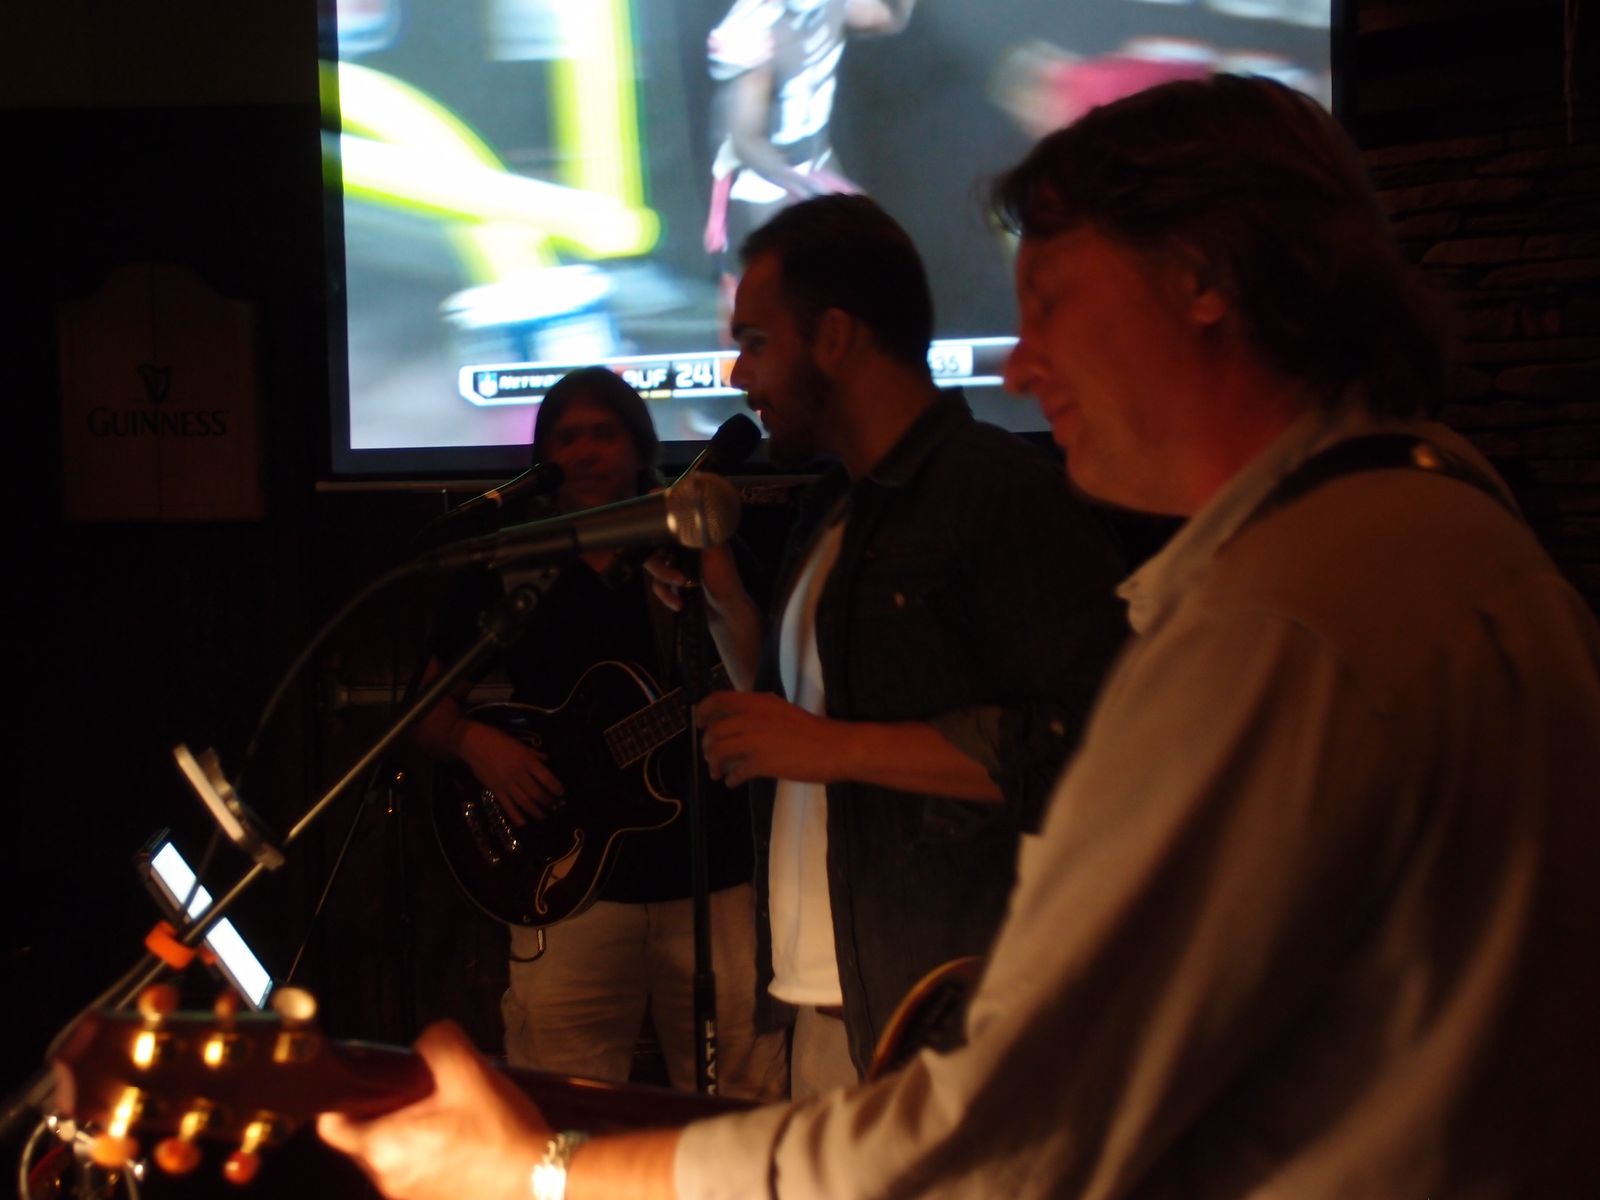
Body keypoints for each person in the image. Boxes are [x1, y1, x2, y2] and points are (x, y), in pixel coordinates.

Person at [321, 76, 1600, 1198]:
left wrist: (550, 1174)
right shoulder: (1448, 532)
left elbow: (1008, 1137)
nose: (1023, 364)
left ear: (1203, 279)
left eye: (1050, 303)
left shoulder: (1277, 623)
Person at [670, 193, 1127, 1101]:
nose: (737, 370)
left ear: (835, 338)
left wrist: (833, 749)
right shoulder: (831, 506)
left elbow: (1087, 748)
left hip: (946, 1016)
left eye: (756, 341)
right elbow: (799, 713)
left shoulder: (997, 493)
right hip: (824, 1004)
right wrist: (721, 595)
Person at [411, 365, 787, 1102]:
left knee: (738, 1104)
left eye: (604, 433)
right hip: (566, 890)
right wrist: (477, 745)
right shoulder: (515, 561)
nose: (585, 451)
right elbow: (423, 708)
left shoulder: (695, 541)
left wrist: (715, 568)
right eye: (567, 437)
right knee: (561, 1104)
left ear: (640, 445)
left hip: (712, 880)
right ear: (544, 456)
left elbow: (765, 676)